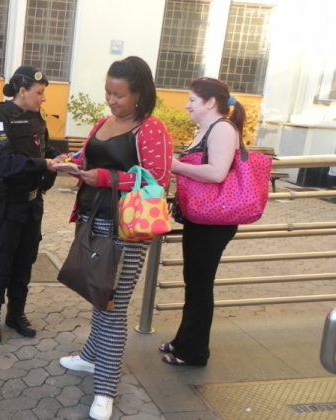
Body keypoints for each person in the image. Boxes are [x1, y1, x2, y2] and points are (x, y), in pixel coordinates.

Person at [52, 56, 173, 420]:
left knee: (112, 308)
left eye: (118, 94)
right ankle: (91, 357)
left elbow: (157, 182)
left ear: (139, 93)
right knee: (97, 293)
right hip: (92, 221)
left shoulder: (151, 129)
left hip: (127, 229)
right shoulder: (104, 123)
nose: (111, 100)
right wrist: (70, 162)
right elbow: (88, 157)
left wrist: (104, 178)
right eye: (107, 92)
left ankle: (106, 388)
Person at [159, 77, 244, 366]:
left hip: (214, 220)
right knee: (193, 281)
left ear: (209, 102)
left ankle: (193, 352)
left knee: (200, 282)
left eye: (192, 100)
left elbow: (218, 173)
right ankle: (184, 341)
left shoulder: (222, 128)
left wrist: (176, 166)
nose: (186, 105)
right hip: (201, 216)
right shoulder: (207, 128)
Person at [0, 65, 60, 344]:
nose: (43, 98)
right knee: (0, 262)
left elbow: (43, 149)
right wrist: (43, 164)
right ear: (22, 92)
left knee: (25, 261)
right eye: (39, 93)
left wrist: (58, 159)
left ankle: (16, 314)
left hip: (33, 202)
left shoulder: (37, 117)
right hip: (6, 204)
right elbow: (3, 163)